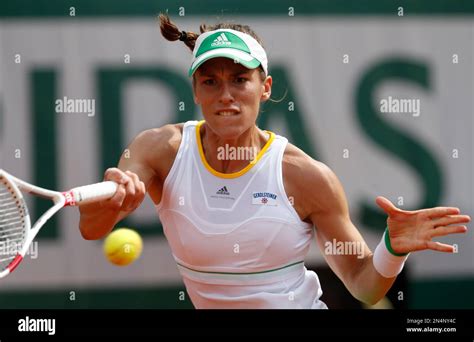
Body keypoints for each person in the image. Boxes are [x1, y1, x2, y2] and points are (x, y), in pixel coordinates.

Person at [78, 14, 470, 309]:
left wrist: (391, 249)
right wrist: (113, 202)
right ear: (195, 90)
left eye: (240, 79)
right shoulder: (157, 148)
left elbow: (363, 284)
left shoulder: (305, 177)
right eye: (211, 81)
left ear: (264, 88)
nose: (225, 95)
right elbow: (92, 229)